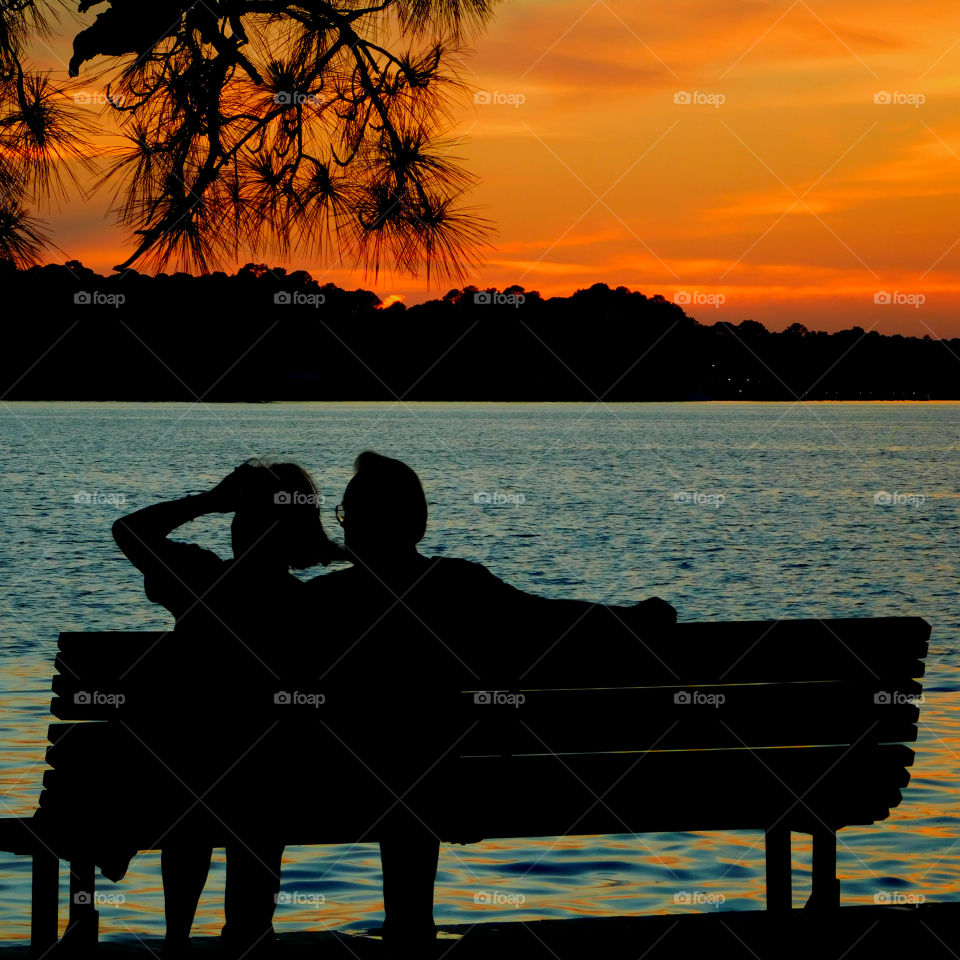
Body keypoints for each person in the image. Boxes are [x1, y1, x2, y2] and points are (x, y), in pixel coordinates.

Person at [306, 451, 676, 956]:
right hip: (458, 785)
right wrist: (633, 621)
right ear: (416, 522)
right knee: (417, 759)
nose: (343, 526)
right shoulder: (457, 585)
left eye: (346, 515)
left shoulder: (322, 601)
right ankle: (410, 933)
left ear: (359, 525)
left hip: (331, 787)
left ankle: (403, 933)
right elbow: (551, 621)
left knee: (396, 760)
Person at [111, 459, 343, 957]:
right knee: (261, 785)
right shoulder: (312, 605)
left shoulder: (200, 580)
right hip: (283, 783)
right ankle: (250, 932)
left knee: (197, 783)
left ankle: (177, 941)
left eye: (242, 514)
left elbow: (130, 529)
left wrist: (208, 501)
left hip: (193, 776)